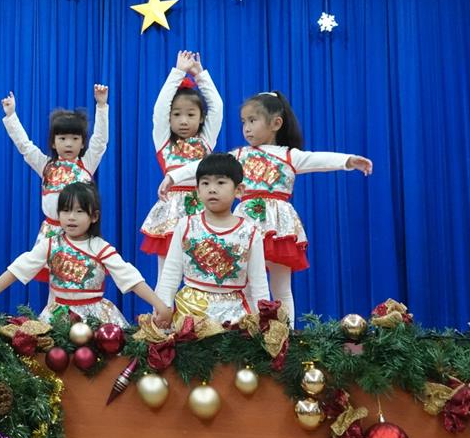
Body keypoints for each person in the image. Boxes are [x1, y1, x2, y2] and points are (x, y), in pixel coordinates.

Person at [159, 92, 372, 326]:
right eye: (243, 122)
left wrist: (348, 161)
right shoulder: (239, 155)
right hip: (246, 225)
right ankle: (252, 328)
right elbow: (203, 166)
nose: (247, 128)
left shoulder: (290, 156)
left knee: (282, 287)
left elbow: (318, 159)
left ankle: (286, 333)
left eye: (253, 120)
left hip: (279, 226)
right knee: (246, 285)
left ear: (275, 123)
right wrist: (173, 177)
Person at [0, 182, 171, 327]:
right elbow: (18, 269)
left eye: (79, 211)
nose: (71, 217)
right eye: (66, 210)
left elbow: (131, 278)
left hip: (96, 319)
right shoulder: (50, 244)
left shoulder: (100, 247)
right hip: (58, 318)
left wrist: (160, 306)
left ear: (94, 216)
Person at [156, 153, 270, 328]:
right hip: (189, 315)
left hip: (234, 318)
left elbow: (259, 284)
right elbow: (170, 274)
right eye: (205, 183)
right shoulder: (185, 225)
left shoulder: (250, 233)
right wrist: (163, 308)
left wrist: (265, 320)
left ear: (239, 190)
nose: (212, 189)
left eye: (220, 182)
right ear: (197, 190)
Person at [140, 51, 223, 279]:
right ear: (169, 118)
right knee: (166, 273)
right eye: (177, 115)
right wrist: (177, 73)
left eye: (190, 115)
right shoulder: (164, 144)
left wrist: (200, 75)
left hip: (203, 209)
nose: (183, 121)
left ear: (201, 118)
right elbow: (160, 108)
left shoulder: (206, 141)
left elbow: (217, 106)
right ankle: (162, 303)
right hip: (171, 212)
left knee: (203, 270)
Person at [1, 84, 109, 247]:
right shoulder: (46, 166)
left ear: (82, 143)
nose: (68, 144)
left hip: (79, 236)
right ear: (53, 142)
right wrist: (11, 116)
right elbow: (25, 146)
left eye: (75, 139)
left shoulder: (86, 164)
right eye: (62, 138)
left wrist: (101, 106)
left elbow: (100, 141)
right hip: (50, 237)